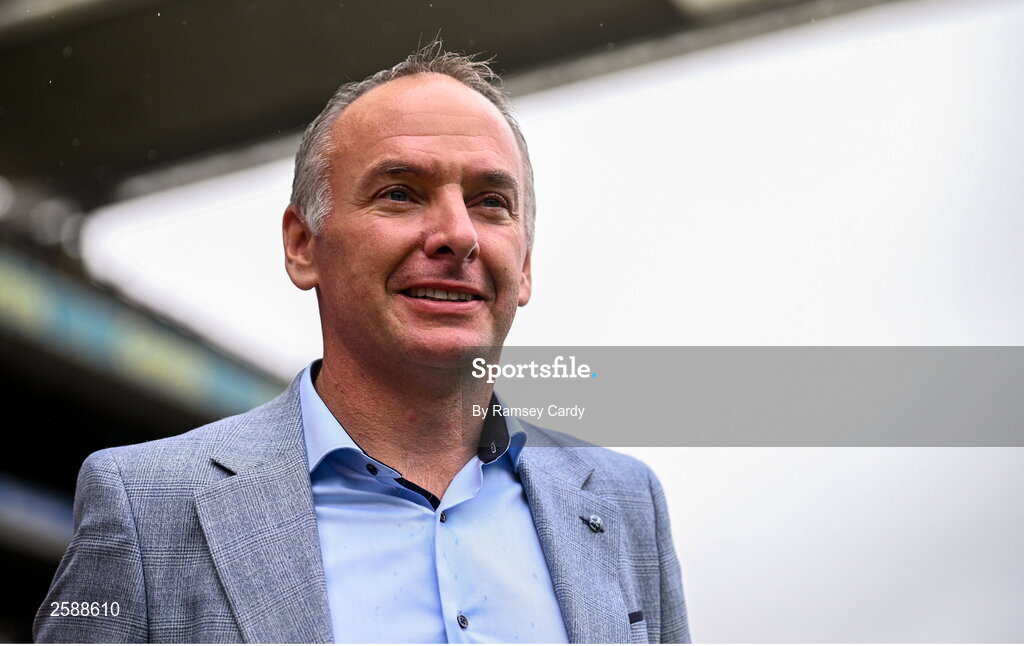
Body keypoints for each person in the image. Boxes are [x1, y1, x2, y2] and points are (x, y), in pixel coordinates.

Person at [34, 44, 690, 643]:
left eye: (491, 202)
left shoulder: (626, 504)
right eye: (401, 193)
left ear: (524, 266)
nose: (458, 234)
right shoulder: (144, 505)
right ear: (301, 245)